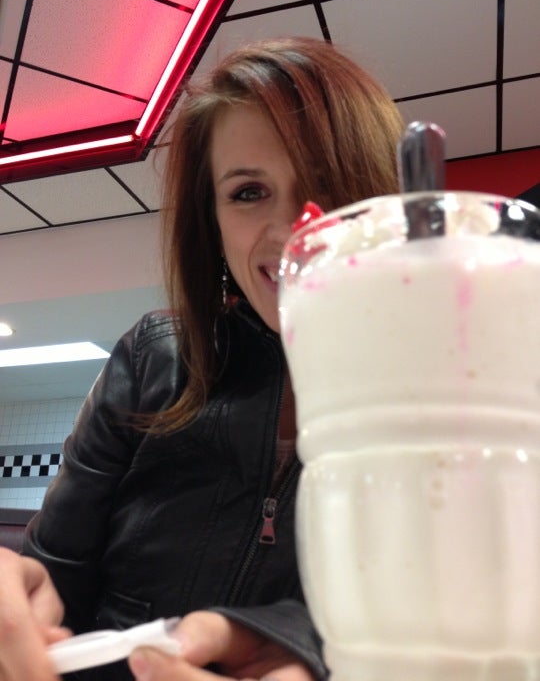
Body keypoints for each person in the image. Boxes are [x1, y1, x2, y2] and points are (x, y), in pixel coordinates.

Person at [0, 36, 403, 681]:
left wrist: (302, 648)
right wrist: (16, 601)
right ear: (211, 223)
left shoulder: (444, 392)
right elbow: (51, 585)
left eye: (328, 185)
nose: (292, 230)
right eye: (248, 192)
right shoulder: (153, 359)